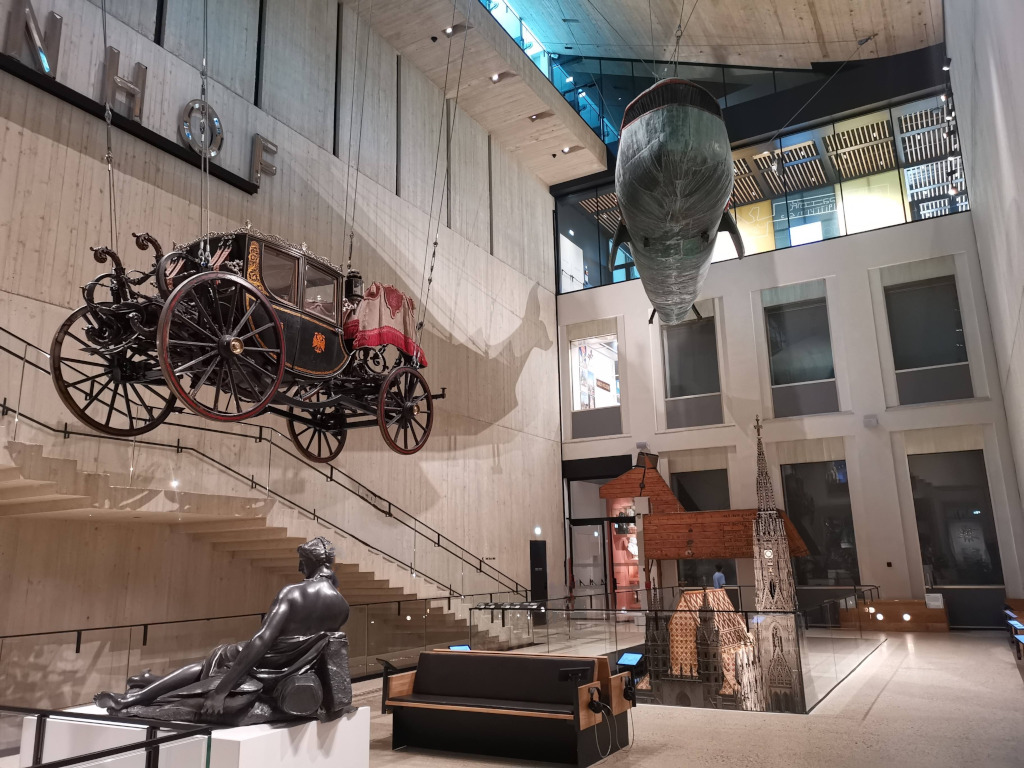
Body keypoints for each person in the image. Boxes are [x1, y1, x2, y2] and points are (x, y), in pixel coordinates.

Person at [94, 536, 350, 723]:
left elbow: (261, 641)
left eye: (301, 562)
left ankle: (132, 699)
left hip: (265, 664)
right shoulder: (341, 606)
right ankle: (150, 682)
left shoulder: (293, 593)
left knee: (219, 657)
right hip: (289, 668)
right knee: (218, 661)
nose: (299, 568)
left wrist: (221, 691)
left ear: (310, 562)